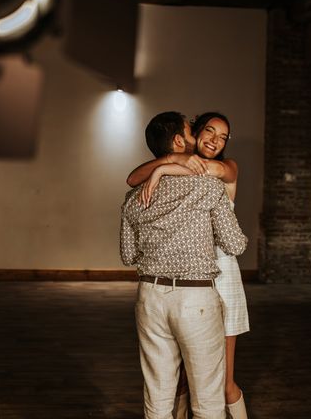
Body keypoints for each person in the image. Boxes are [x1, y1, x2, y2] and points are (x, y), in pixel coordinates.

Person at [120, 111, 247, 419]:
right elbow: (235, 244)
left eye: (222, 137)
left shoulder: (134, 197)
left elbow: (128, 255)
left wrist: (162, 170)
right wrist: (165, 168)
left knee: (158, 395)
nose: (211, 140)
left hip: (150, 296)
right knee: (207, 399)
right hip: (197, 297)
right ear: (180, 140)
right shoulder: (207, 187)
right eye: (197, 131)